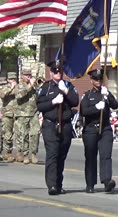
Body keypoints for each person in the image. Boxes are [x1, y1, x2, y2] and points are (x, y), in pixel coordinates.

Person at [37, 60, 79, 195]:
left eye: (60, 71)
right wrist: (53, 102)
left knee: (61, 156)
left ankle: (59, 184)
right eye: (55, 71)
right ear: (50, 73)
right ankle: (52, 185)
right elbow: (39, 106)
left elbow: (75, 101)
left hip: (65, 125)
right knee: (52, 154)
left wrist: (66, 91)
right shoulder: (45, 87)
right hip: (50, 125)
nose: (58, 73)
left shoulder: (68, 85)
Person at [80, 68, 118, 193]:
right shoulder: (87, 95)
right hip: (91, 128)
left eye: (100, 79)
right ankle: (90, 184)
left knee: (106, 155)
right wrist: (96, 108)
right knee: (91, 157)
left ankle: (107, 180)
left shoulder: (105, 92)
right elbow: (84, 111)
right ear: (91, 80)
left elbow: (115, 105)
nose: (98, 81)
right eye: (96, 79)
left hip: (105, 128)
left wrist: (108, 95)